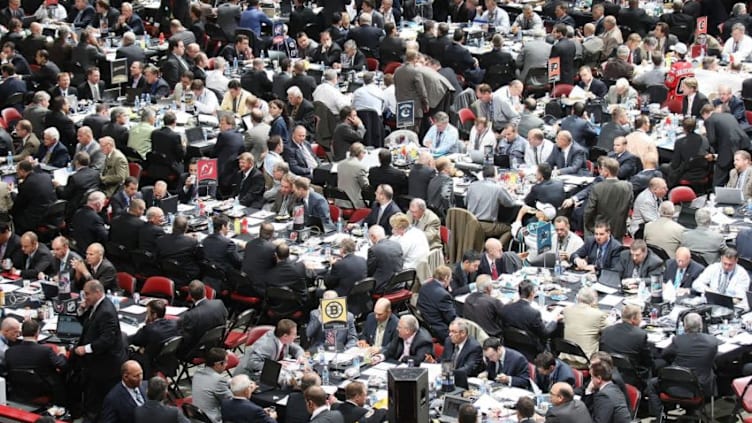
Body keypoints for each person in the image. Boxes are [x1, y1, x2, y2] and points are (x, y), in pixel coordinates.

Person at [646, 313, 719, 418]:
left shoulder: (677, 340)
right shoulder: (712, 341)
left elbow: (664, 354)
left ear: (685, 326)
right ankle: (695, 412)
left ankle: (659, 416)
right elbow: (712, 360)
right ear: (701, 326)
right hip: (700, 388)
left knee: (651, 384)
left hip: (673, 386)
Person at [74, 280, 127, 422]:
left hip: (106, 365)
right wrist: (82, 310)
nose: (85, 297)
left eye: (87, 294)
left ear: (98, 292)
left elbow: (106, 341)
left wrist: (85, 349)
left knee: (99, 401)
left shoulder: (106, 312)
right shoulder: (96, 305)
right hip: (97, 363)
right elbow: (88, 325)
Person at [5, 319, 67, 404]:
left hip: (18, 391)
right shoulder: (46, 351)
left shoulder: (9, 352)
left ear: (22, 333)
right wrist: (62, 353)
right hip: (43, 391)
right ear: (37, 333)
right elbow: (62, 365)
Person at [500, 281, 558, 355]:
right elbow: (545, 334)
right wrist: (554, 320)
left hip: (511, 345)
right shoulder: (534, 314)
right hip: (533, 348)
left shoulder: (505, 308)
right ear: (532, 294)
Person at [583, 158, 633, 239]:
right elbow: (628, 207)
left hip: (600, 231)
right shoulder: (628, 186)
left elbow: (589, 211)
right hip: (619, 230)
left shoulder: (597, 188)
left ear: (606, 171)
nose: (601, 171)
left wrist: (590, 227)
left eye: (602, 169)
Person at [128, 299, 179, 377]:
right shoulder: (174, 324)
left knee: (126, 351)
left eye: (147, 313)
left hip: (151, 363)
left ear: (154, 315)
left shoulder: (150, 329)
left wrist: (146, 324)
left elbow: (135, 340)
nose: (147, 315)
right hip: (168, 361)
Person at [178, 280, 228, 358]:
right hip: (215, 344)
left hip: (197, 351)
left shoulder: (191, 315)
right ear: (205, 291)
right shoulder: (219, 303)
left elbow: (185, 341)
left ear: (190, 295)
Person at [236, 319, 304, 375]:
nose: (296, 337)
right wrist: (275, 365)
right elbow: (252, 363)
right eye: (294, 334)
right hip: (247, 376)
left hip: (266, 372)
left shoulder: (282, 338)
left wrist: (300, 356)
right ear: (285, 336)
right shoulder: (267, 346)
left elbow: (296, 349)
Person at [599, 304, 653, 372]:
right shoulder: (640, 335)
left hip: (609, 371)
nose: (641, 318)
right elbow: (648, 361)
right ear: (633, 318)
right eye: (640, 316)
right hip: (632, 374)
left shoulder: (607, 330)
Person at [562, 287, 606, 362]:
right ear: (594, 300)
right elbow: (609, 329)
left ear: (578, 298)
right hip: (586, 359)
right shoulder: (598, 314)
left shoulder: (567, 310)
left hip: (566, 356)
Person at [11, 160, 56, 235]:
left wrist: (12, 192)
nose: (16, 173)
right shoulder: (46, 176)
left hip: (36, 218)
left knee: (15, 215)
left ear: (22, 171)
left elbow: (18, 205)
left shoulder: (27, 184)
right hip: (50, 213)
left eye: (17, 171)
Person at [192, 348, 232, 423]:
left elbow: (211, 385)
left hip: (198, 418)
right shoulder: (218, 380)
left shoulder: (197, 373)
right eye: (226, 362)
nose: (227, 365)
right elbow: (231, 401)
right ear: (218, 364)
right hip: (213, 419)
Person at [417, 266, 457, 339]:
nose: (450, 280)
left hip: (425, 324)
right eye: (450, 278)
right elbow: (451, 318)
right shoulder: (443, 295)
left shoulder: (424, 286)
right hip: (439, 330)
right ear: (445, 278)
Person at [241, 222, 276, 297]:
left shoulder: (249, 243)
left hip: (244, 284)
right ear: (271, 235)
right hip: (259, 288)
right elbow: (276, 266)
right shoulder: (272, 248)